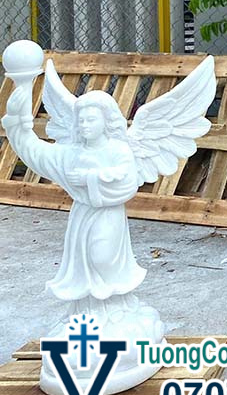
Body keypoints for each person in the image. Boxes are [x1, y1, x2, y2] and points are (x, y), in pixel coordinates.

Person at [1, 89, 145, 303]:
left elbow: (128, 184)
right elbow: (36, 153)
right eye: (81, 120)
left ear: (106, 121)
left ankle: (115, 305)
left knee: (102, 258)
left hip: (108, 213)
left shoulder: (119, 150)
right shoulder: (71, 152)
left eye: (91, 120)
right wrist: (17, 123)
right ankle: (91, 307)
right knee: (83, 262)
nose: (85, 125)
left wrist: (89, 178)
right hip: (82, 215)